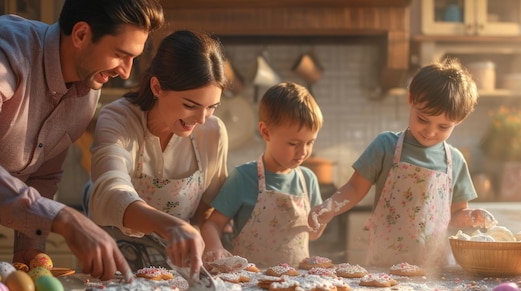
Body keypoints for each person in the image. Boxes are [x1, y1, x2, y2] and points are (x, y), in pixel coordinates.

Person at [0, 0, 164, 281]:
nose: (126, 71)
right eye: (119, 54)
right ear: (80, 35)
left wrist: (30, 251)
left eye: (134, 58)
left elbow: (43, 175)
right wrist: (63, 218)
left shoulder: (88, 88)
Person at [309, 58, 497, 269]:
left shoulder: (455, 160)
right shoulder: (385, 146)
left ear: (459, 120)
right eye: (422, 119)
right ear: (410, 100)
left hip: (434, 270)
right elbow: (354, 187)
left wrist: (470, 217)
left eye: (443, 126)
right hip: (386, 267)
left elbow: (455, 215)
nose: (430, 131)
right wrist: (331, 206)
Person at [86, 30, 229, 278]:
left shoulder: (213, 131)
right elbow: (109, 192)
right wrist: (171, 227)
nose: (202, 119)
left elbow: (209, 207)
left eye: (211, 107)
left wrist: (209, 242)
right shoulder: (118, 119)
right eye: (190, 105)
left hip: (180, 267)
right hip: (113, 262)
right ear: (157, 87)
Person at [200, 81, 326, 268]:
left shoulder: (308, 180)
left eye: (310, 143)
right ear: (266, 132)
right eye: (293, 143)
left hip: (297, 281)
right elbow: (213, 224)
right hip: (250, 280)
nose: (303, 151)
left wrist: (325, 216)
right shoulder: (243, 177)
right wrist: (215, 247)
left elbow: (314, 234)